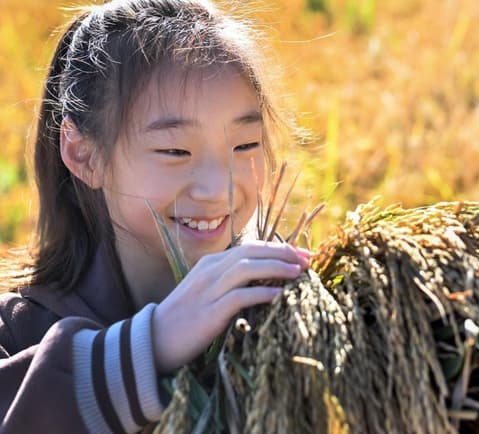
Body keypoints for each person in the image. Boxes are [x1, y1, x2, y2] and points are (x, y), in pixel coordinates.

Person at [0, 0, 310, 432]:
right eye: (175, 151)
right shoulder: (14, 334)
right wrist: (153, 344)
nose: (217, 187)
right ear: (82, 153)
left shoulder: (286, 308)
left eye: (245, 145)